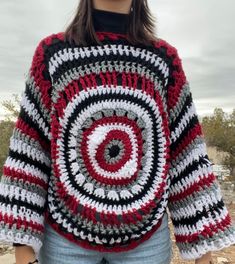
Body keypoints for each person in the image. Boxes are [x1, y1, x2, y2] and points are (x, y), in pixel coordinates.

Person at [0, 0, 235, 263]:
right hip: (64, 241)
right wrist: (23, 249)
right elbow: (30, 152)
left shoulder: (162, 60)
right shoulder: (53, 55)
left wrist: (204, 253)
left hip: (145, 242)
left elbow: (186, 155)